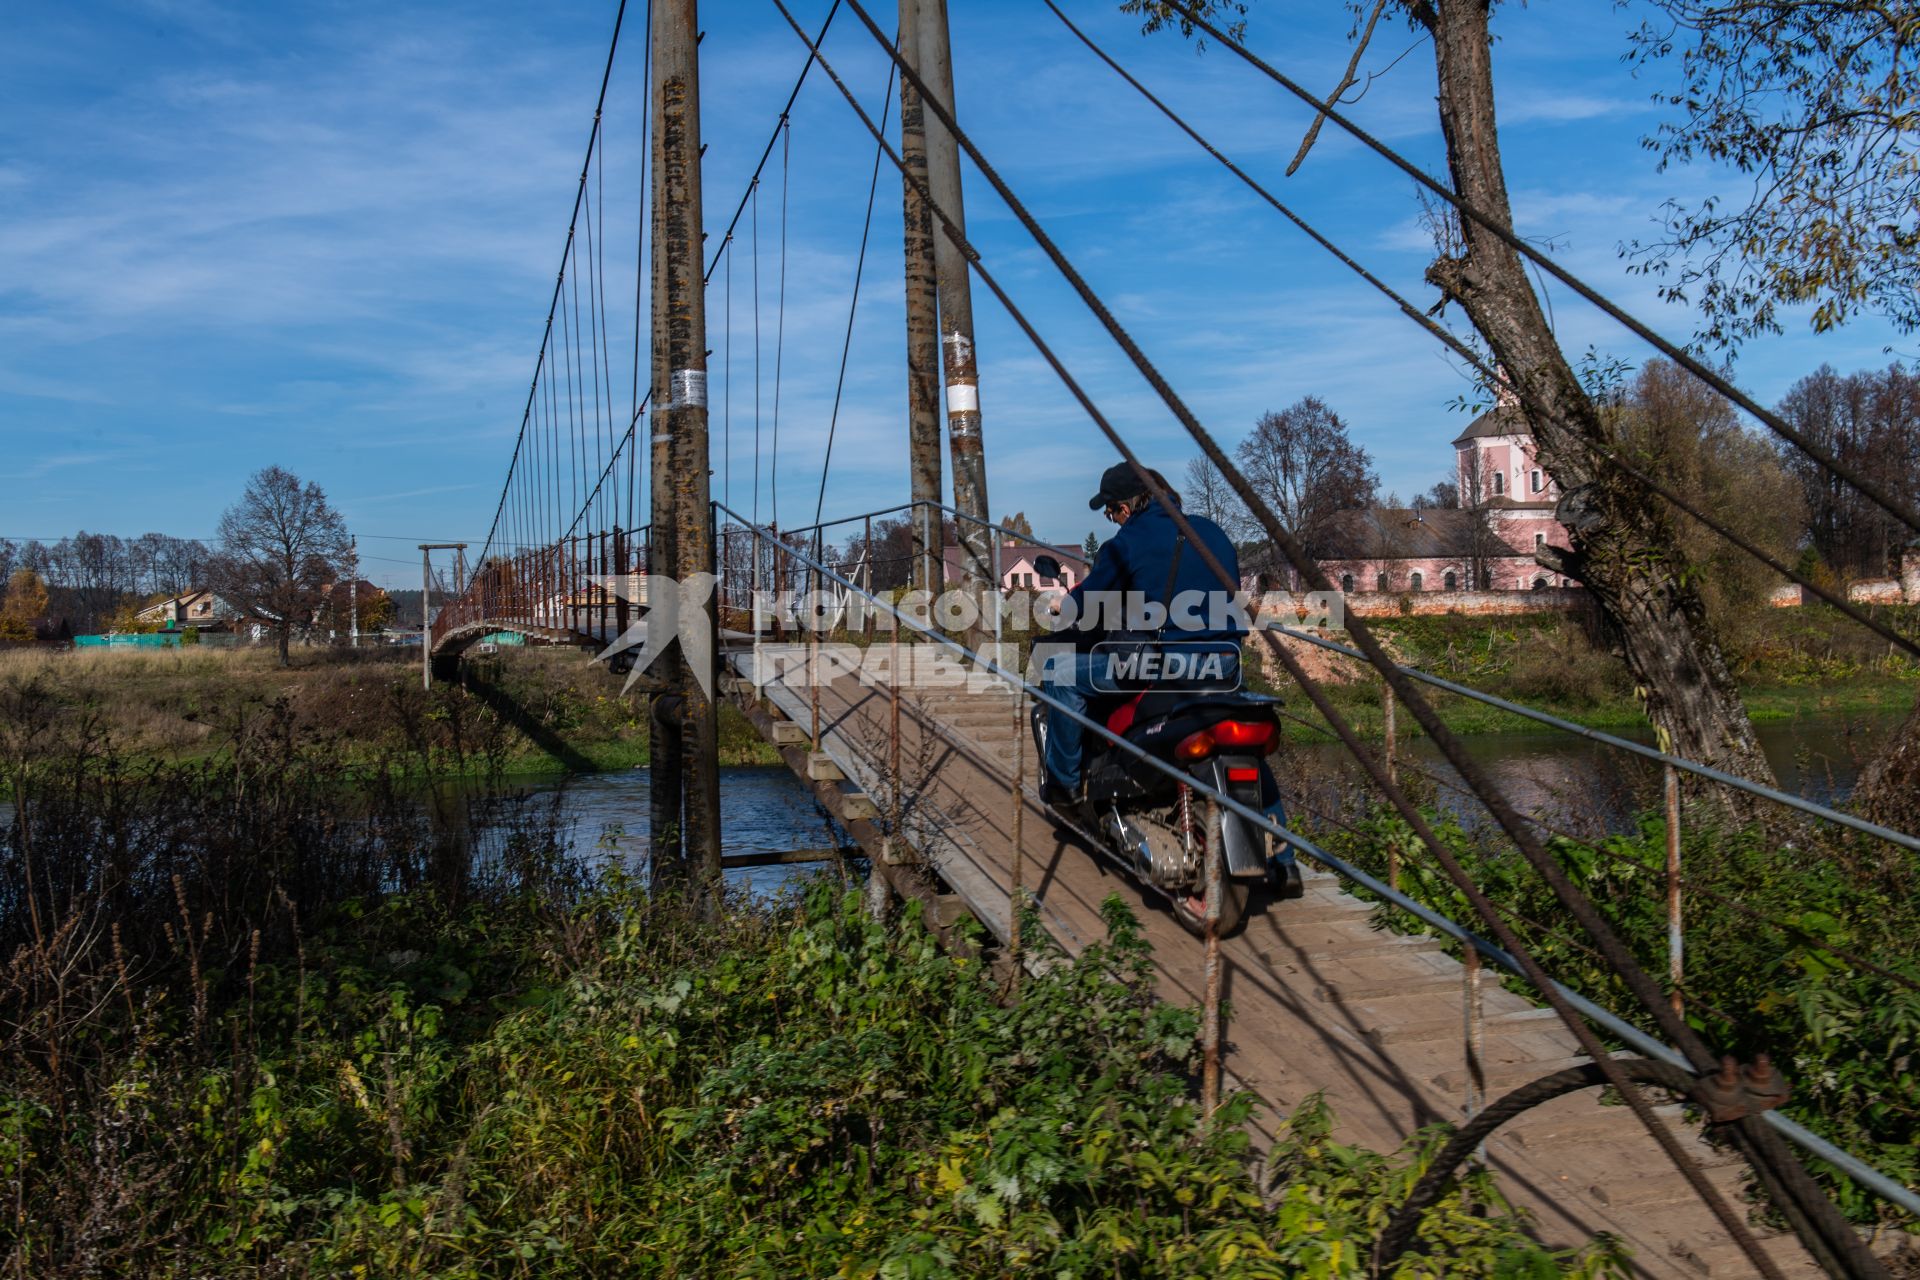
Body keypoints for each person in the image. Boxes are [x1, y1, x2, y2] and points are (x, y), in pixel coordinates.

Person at [1039, 463, 1245, 812]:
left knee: (1059, 673)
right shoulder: (1212, 533)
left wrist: (1062, 604)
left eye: (1111, 514)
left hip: (1165, 667)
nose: (1115, 523)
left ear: (1125, 507)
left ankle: (1066, 789)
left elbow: (1088, 600)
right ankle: (1284, 858)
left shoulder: (1131, 540)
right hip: (1226, 663)